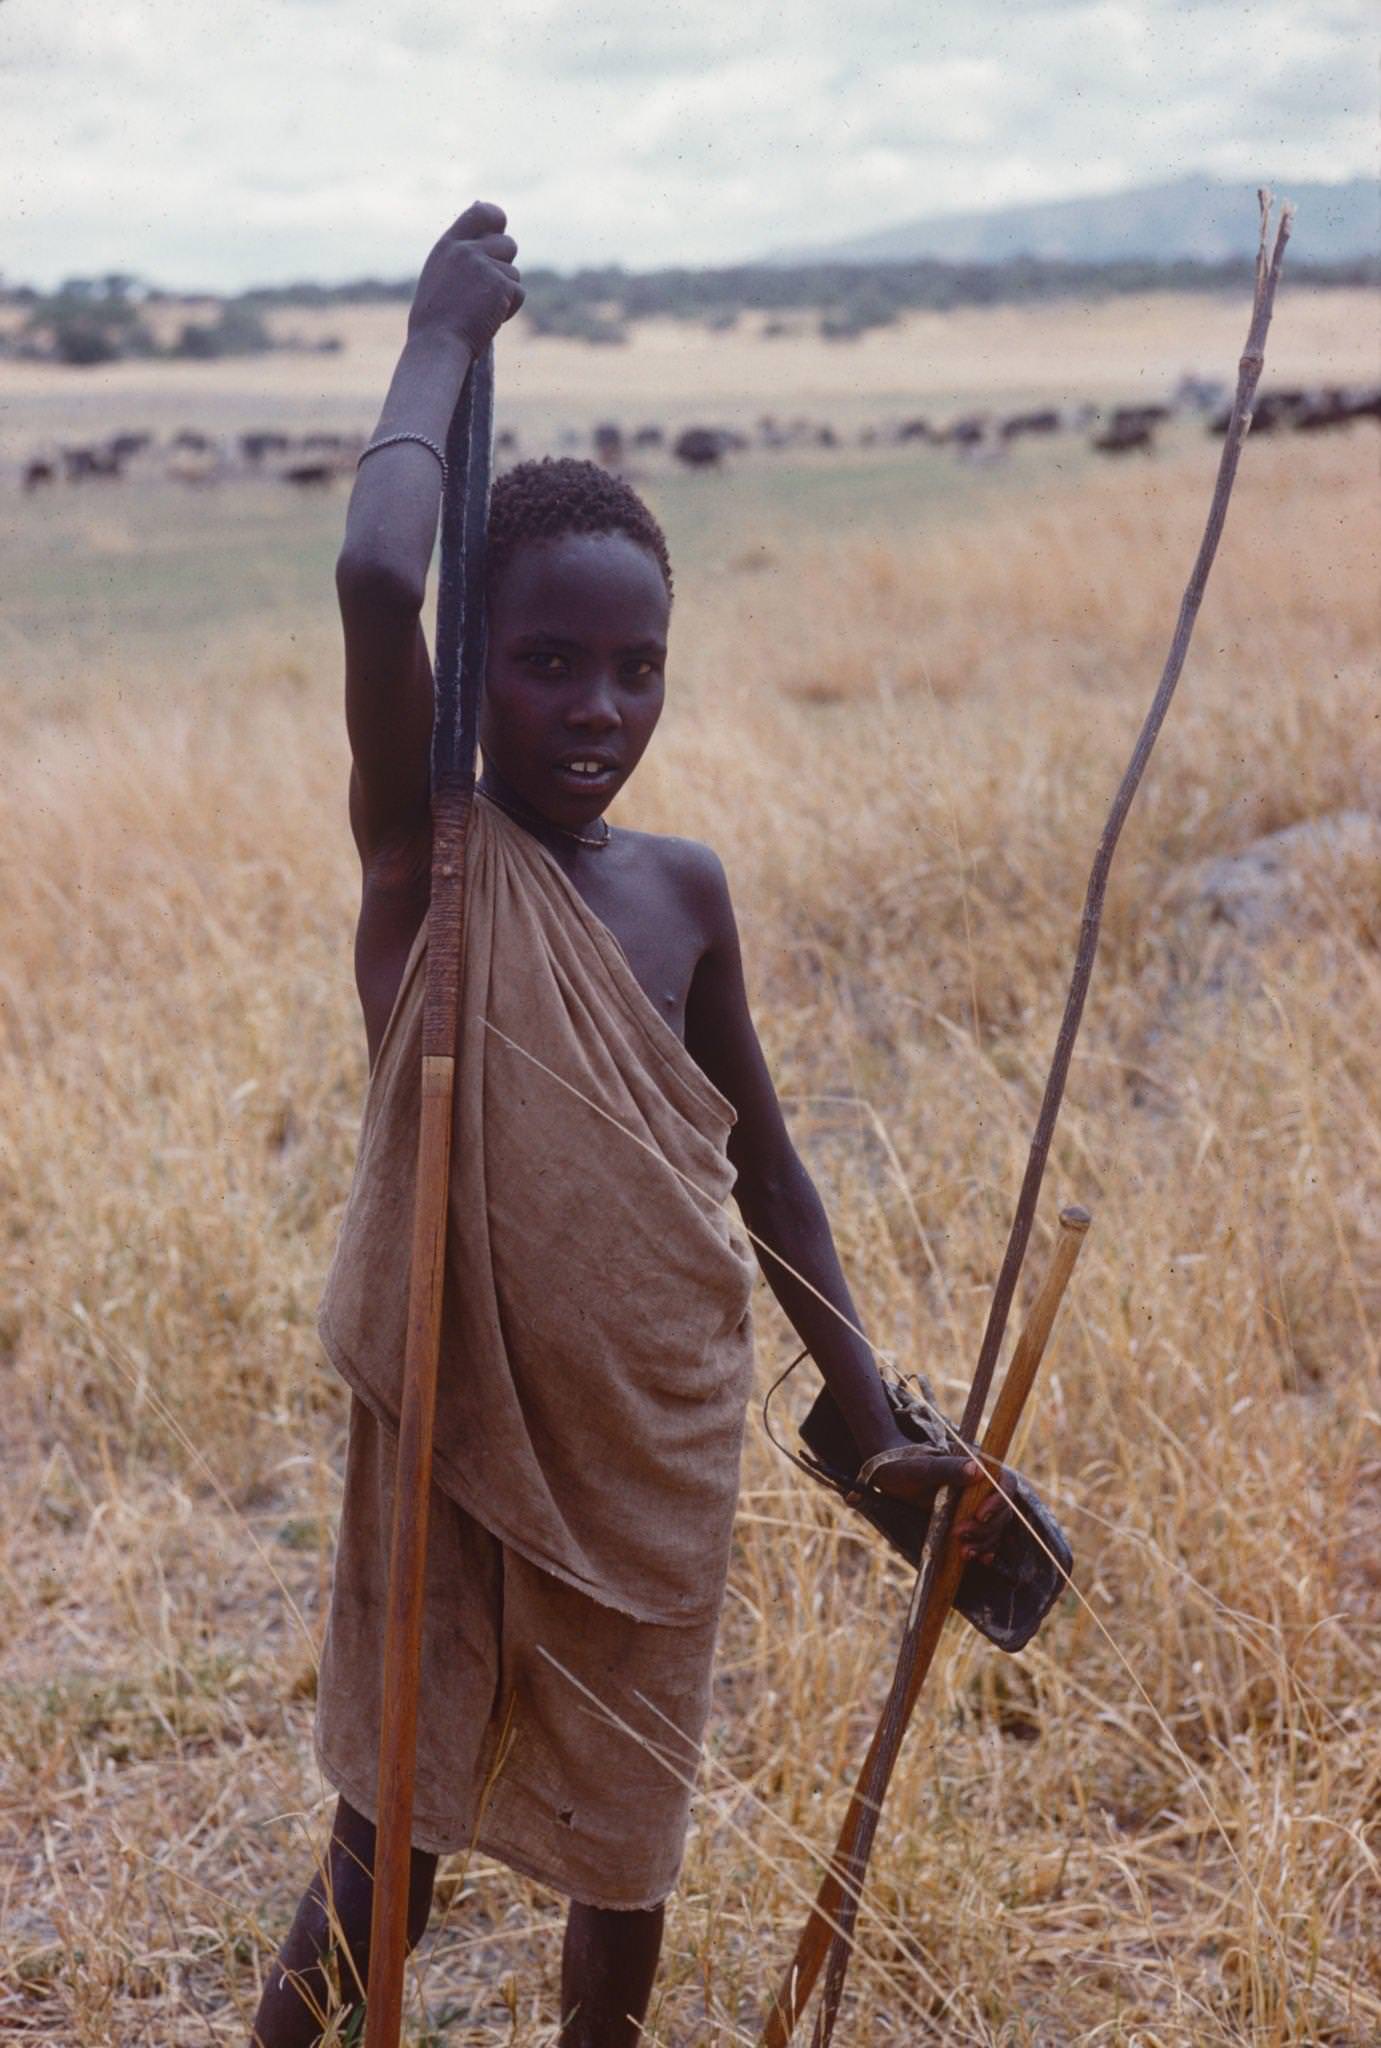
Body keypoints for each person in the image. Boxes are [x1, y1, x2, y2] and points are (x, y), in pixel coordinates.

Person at [250, 201, 1013, 2048]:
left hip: (661, 1440)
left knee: (625, 1860)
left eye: (636, 669)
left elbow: (765, 1168)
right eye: (544, 663)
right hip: (453, 1423)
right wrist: (435, 339)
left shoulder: (686, 893)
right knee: (392, 1841)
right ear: (471, 675)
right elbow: (372, 579)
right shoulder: (426, 860)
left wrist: (862, 1411)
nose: (598, 709)